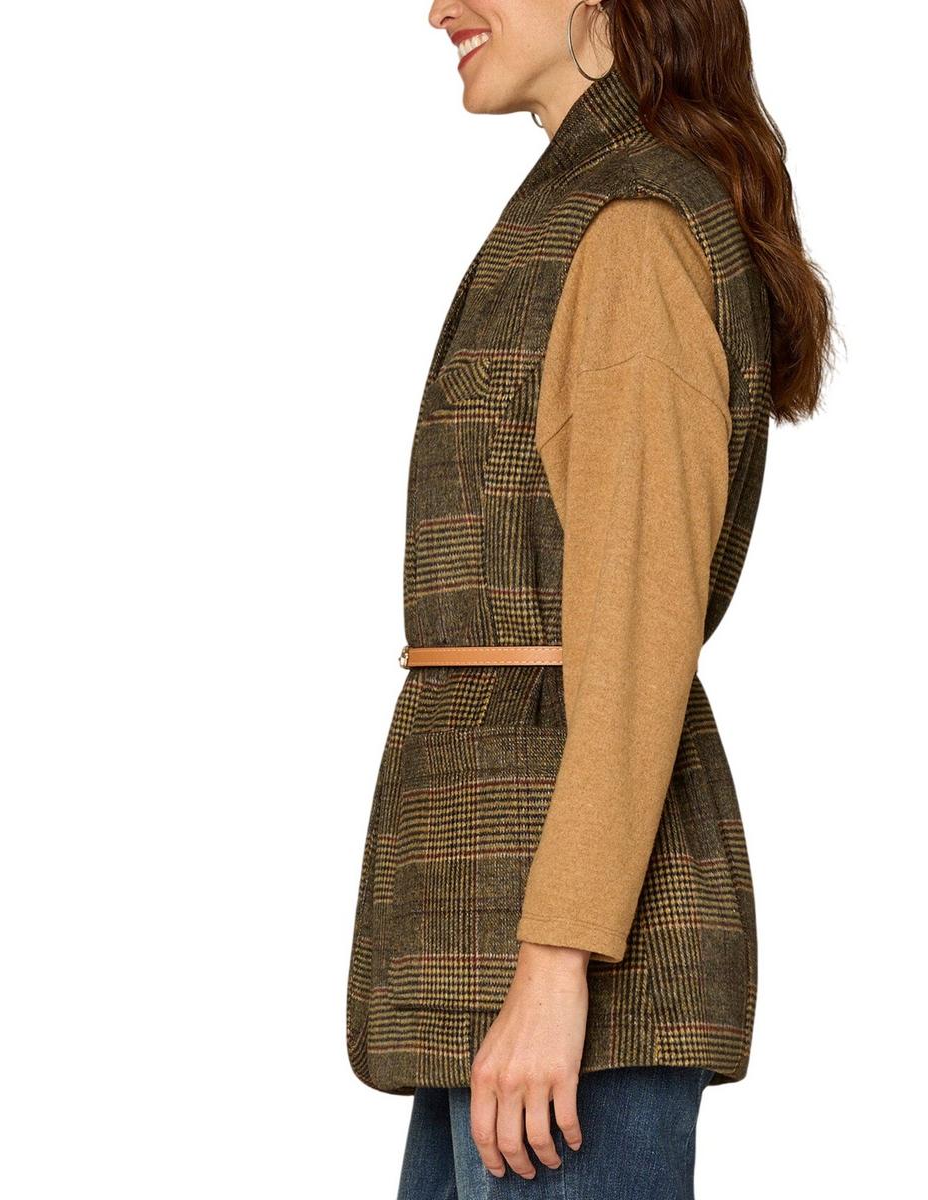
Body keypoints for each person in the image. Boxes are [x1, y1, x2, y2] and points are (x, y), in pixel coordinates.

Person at [346, 1, 836, 1195]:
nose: (438, 8)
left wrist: (558, 959)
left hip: (566, 947)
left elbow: (637, 627)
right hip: (490, 917)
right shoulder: (582, 206)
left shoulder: (630, 228)